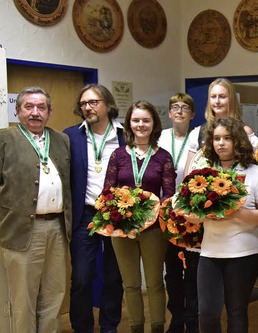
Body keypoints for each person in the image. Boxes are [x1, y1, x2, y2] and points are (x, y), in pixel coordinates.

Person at [0, 86, 71, 332]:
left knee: (54, 294)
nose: (35, 112)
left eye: (41, 107)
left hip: (57, 229)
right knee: (23, 298)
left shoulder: (61, 140)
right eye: (28, 107)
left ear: (49, 112)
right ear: (18, 111)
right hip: (20, 230)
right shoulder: (4, 139)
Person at [104, 101, 176, 333]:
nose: (141, 125)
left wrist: (151, 213)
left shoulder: (163, 157)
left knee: (155, 283)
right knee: (131, 284)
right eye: (136, 120)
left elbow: (169, 194)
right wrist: (119, 214)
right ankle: (136, 327)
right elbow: (108, 192)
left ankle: (157, 327)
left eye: (146, 120)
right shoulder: (117, 155)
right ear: (129, 123)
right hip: (122, 228)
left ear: (154, 123)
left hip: (153, 228)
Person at [196, 117, 258, 333]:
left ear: (238, 141)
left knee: (236, 311)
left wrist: (234, 213)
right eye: (217, 138)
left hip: (245, 253)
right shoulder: (203, 175)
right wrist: (198, 215)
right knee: (207, 312)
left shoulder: (256, 173)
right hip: (210, 253)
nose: (221, 143)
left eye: (227, 138)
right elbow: (193, 215)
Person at [64, 84, 125, 333]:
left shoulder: (125, 136)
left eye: (93, 102)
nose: (87, 107)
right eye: (83, 104)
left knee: (114, 276)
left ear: (108, 104)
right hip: (85, 215)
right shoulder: (70, 136)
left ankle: (109, 327)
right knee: (81, 277)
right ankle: (82, 328)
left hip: (118, 215)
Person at [158, 93, 201, 333]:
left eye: (185, 107)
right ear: (169, 112)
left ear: (192, 114)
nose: (180, 111)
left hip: (193, 212)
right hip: (167, 212)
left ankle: (191, 320)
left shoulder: (198, 136)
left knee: (193, 270)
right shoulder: (161, 137)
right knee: (172, 269)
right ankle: (176, 318)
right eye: (175, 107)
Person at [196, 78, 258, 149]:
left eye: (222, 97)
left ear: (231, 100)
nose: (217, 101)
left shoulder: (245, 131)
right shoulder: (199, 132)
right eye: (213, 97)